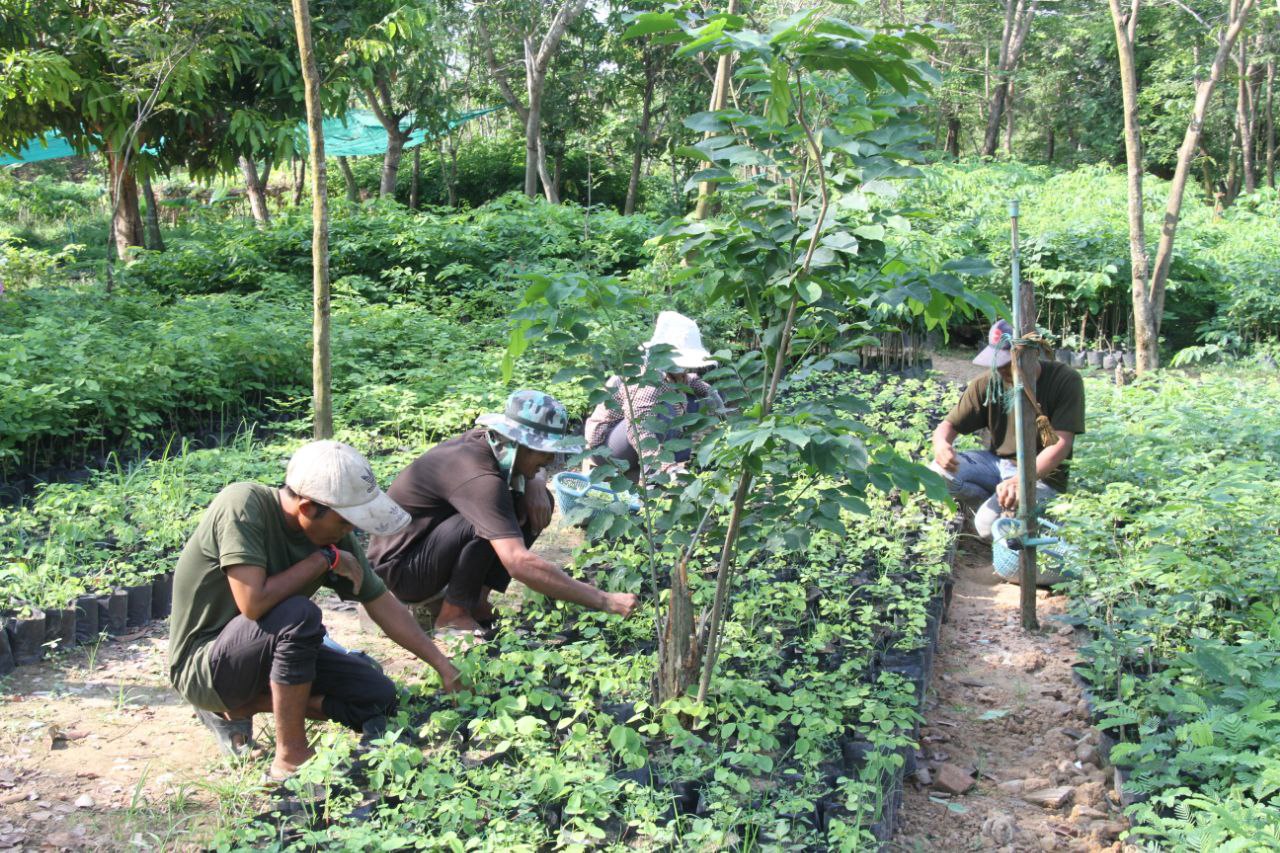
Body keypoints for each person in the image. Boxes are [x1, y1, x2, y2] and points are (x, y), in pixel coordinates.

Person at [167, 440, 461, 780]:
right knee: (298, 615)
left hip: (265, 653)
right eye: (345, 523)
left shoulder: (329, 531)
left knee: (377, 693)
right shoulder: (243, 504)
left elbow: (380, 601)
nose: (350, 532)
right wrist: (324, 561)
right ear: (307, 508)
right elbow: (254, 603)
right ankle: (291, 755)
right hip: (206, 664)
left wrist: (443, 666)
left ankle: (239, 708)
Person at [368, 390, 640, 636]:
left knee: (533, 501)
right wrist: (605, 600)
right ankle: (453, 616)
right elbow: (518, 562)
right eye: (545, 454)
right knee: (489, 521)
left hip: (428, 548)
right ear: (520, 444)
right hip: (402, 570)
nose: (550, 461)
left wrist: (535, 481)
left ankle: (474, 601)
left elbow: (526, 474)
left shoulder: (492, 447)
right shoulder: (477, 476)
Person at [930, 319, 1085, 540]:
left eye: (1007, 362)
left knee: (985, 528)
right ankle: (993, 502)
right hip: (997, 465)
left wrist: (1020, 480)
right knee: (937, 472)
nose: (1001, 368)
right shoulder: (987, 383)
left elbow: (1061, 443)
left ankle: (1020, 521)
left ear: (1030, 355)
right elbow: (947, 426)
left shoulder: (1064, 380)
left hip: (1042, 476)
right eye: (997, 362)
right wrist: (941, 444)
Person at [584, 311, 726, 481]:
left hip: (628, 440)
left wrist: (712, 394)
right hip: (606, 447)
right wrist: (666, 467)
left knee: (689, 398)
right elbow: (638, 427)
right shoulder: (646, 377)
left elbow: (690, 382)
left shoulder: (672, 373)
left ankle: (672, 462)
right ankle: (656, 469)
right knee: (664, 408)